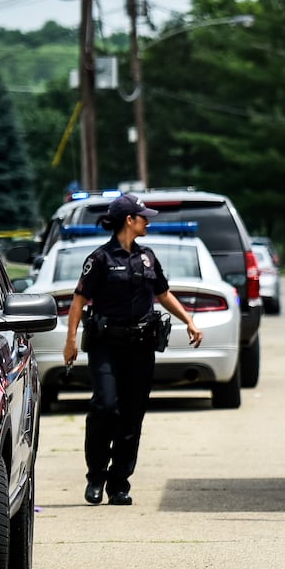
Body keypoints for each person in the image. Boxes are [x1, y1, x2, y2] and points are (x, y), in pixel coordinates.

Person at [62, 194, 203, 506]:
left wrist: (189, 321)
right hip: (105, 345)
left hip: (140, 347)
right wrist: (71, 340)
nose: (148, 222)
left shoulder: (148, 257)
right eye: (143, 217)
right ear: (129, 220)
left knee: (132, 414)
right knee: (105, 406)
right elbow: (79, 301)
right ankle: (96, 476)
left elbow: (163, 294)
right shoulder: (99, 259)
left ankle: (119, 483)